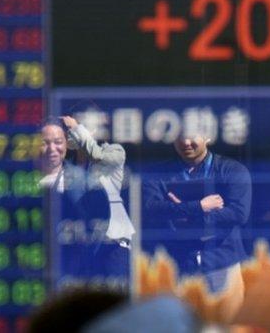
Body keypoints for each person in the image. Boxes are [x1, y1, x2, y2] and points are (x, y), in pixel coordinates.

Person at [141, 133, 251, 320]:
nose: (185, 142)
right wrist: (199, 207)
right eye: (180, 137)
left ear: (208, 136)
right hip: (178, 265)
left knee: (225, 325)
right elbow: (150, 209)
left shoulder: (232, 170)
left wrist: (182, 213)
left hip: (222, 263)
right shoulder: (158, 174)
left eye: (192, 136)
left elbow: (238, 214)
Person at [39, 117, 135, 284]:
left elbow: (96, 155)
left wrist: (77, 127)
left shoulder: (114, 152)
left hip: (110, 248)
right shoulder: (70, 166)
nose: (73, 134)